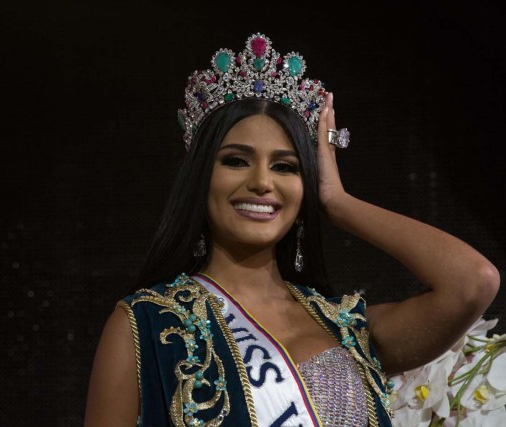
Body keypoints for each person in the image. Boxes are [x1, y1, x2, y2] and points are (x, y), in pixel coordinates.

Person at [84, 33, 500, 426]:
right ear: (200, 178)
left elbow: (472, 282)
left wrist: (338, 202)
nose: (263, 182)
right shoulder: (145, 324)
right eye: (236, 160)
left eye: (285, 166)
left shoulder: (347, 329)